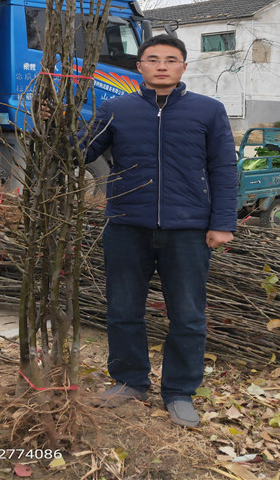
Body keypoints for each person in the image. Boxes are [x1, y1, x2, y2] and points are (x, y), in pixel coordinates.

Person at [82, 33, 238, 428]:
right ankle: (129, 381)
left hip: (187, 230)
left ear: (184, 66)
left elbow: (223, 170)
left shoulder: (208, 111)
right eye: (153, 59)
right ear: (140, 67)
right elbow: (80, 152)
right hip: (126, 225)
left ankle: (179, 391)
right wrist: (54, 121)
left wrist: (222, 223)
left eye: (171, 59)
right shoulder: (115, 108)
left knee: (187, 314)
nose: (162, 65)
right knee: (122, 309)